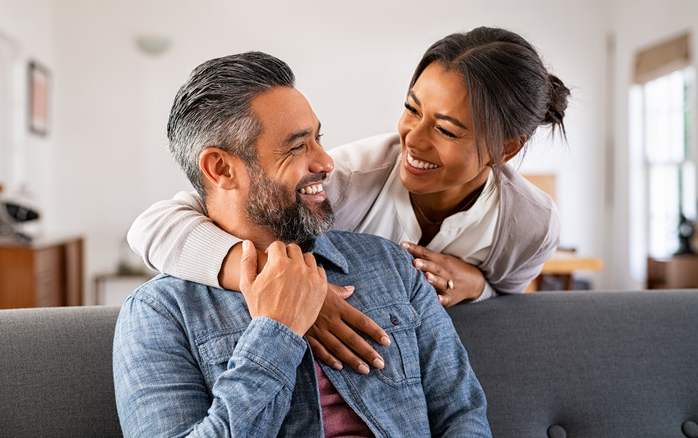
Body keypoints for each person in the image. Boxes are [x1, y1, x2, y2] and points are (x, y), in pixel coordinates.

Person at [127, 26, 569, 372]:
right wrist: (287, 287)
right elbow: (154, 226)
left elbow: (509, 302)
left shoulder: (531, 225)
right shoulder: (347, 179)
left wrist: (478, 287)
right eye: (412, 109)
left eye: (447, 129)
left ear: (506, 149)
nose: (412, 140)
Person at [113, 51, 491, 437]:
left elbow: (462, 414)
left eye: (318, 138)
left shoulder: (392, 264)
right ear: (222, 169)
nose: (326, 161)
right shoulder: (159, 314)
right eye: (297, 147)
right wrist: (276, 330)